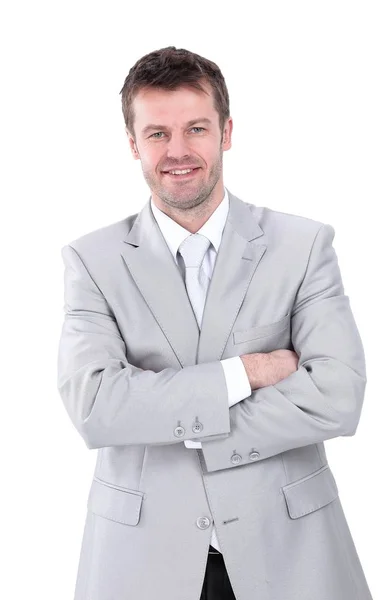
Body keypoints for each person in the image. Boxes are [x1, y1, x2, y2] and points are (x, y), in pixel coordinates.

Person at [57, 46, 373, 600]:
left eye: (196, 128)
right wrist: (244, 373)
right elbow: (96, 407)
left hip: (291, 554)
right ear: (133, 144)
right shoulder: (93, 261)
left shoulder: (303, 246)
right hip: (140, 563)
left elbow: (338, 394)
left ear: (226, 132)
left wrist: (169, 419)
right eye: (157, 134)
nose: (178, 151)